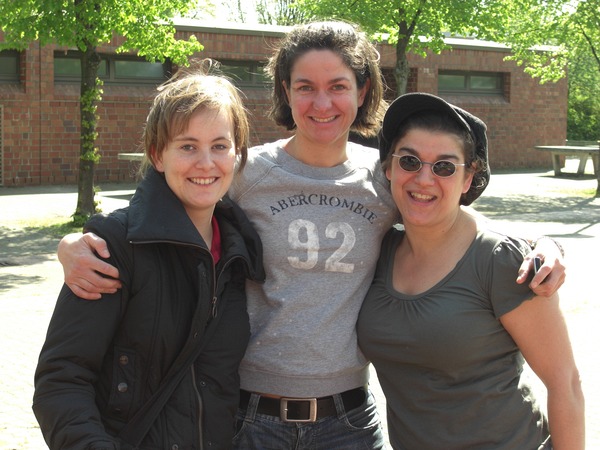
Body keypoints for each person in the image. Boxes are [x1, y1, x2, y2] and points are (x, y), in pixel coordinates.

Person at [55, 22, 566, 449]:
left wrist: (542, 246)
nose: (322, 102)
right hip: (249, 419)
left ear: (362, 91)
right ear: (285, 91)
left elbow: (454, 218)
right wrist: (79, 243)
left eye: (338, 86)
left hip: (349, 422)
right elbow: (165, 201)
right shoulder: (245, 171)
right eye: (305, 87)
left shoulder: (387, 176)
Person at [33, 62, 265, 450]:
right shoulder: (114, 247)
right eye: (187, 146)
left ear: (237, 153)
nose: (206, 163)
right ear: (158, 155)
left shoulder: (240, 252)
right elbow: (61, 381)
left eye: (219, 146)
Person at [357, 92, 585, 449]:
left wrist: (545, 244)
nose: (424, 179)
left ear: (468, 178)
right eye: (410, 161)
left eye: (445, 167)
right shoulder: (378, 251)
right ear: (389, 168)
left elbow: (565, 384)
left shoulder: (502, 260)